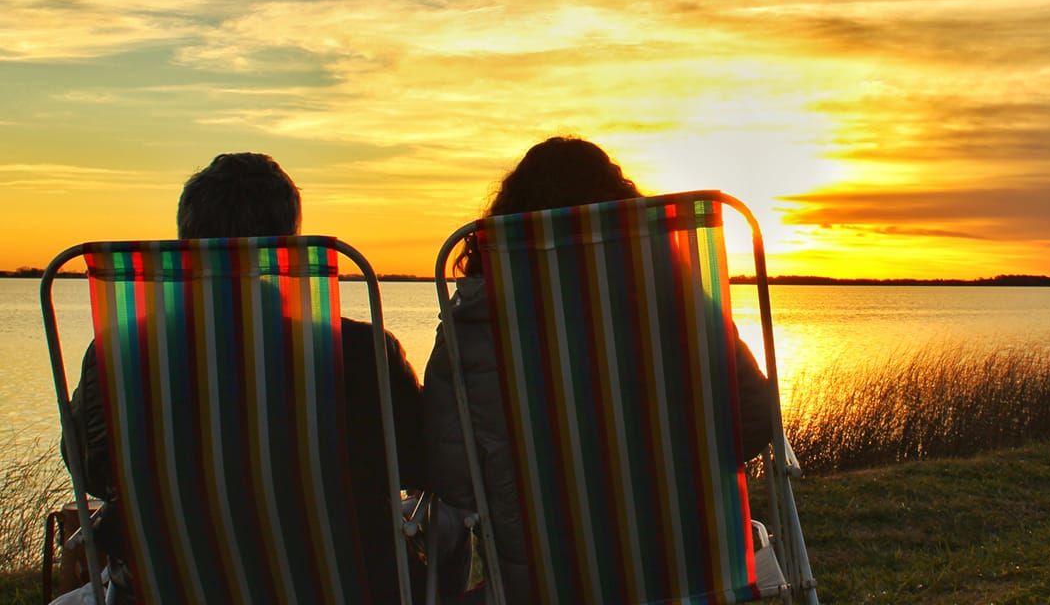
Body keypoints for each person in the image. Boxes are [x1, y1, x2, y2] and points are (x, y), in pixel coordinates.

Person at [423, 136, 773, 603]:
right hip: (690, 578)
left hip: (545, 587)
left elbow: (455, 481)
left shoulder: (474, 326)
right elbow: (755, 419)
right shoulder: (677, 301)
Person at [64, 153, 426, 601]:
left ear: (185, 243)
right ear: (287, 247)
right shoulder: (356, 351)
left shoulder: (118, 358)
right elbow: (417, 462)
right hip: (338, 588)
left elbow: (90, 471)